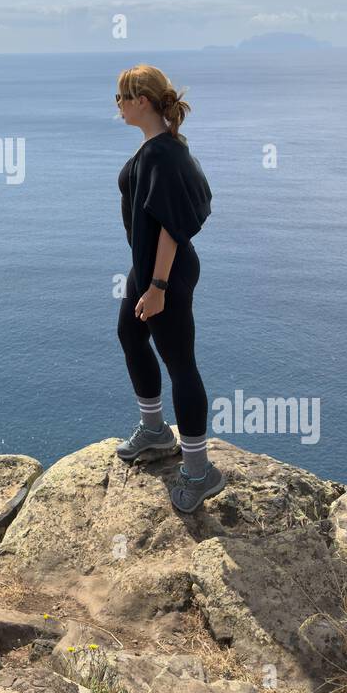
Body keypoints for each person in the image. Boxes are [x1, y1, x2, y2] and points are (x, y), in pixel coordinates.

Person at [114, 64, 223, 513]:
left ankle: (200, 472)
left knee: (181, 363)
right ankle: (156, 432)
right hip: (147, 267)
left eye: (121, 98)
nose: (117, 106)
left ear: (142, 101)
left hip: (168, 273)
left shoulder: (165, 154)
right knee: (130, 335)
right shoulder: (158, 147)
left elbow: (172, 228)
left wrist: (157, 286)